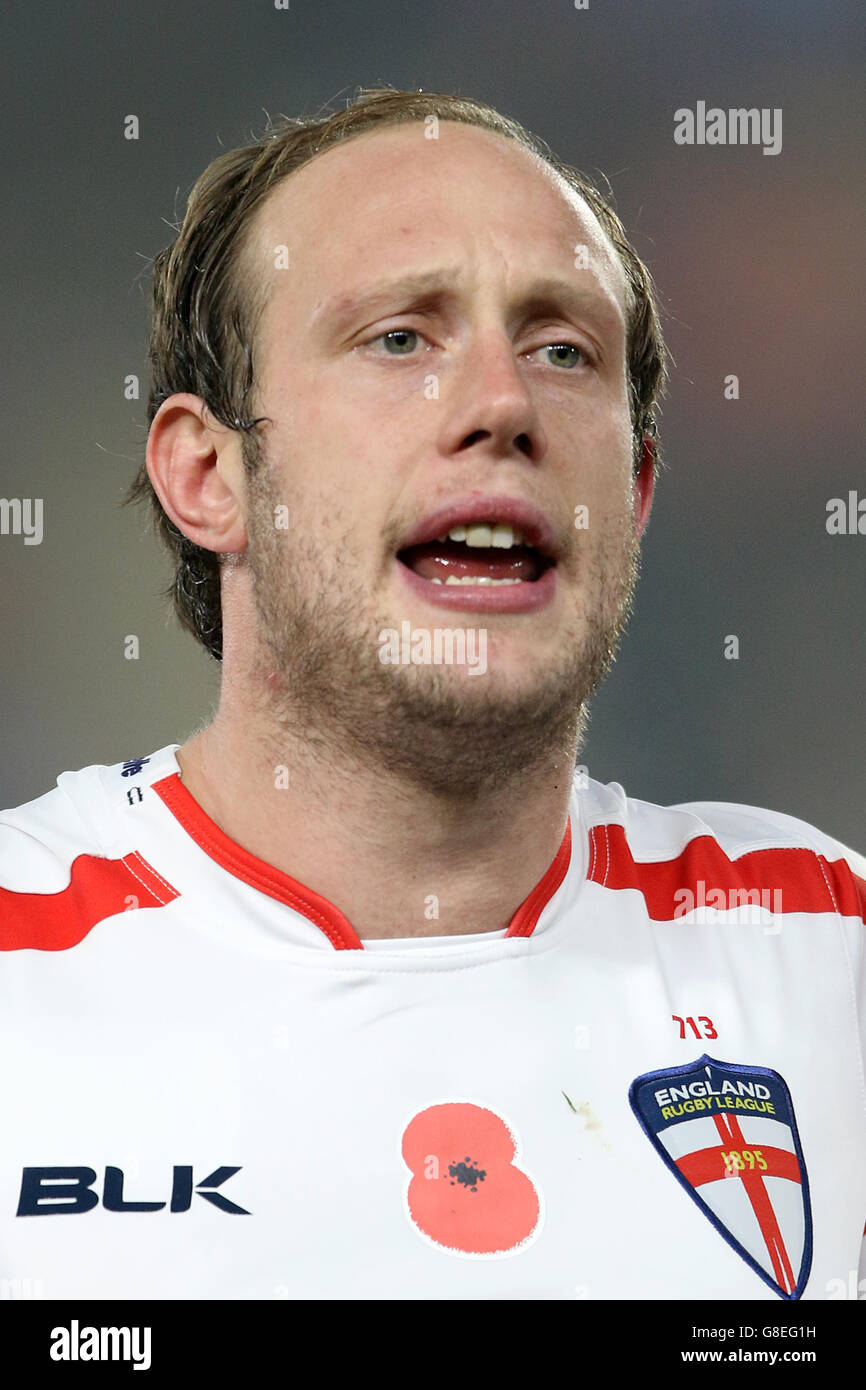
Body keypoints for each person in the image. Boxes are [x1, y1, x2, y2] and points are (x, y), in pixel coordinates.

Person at [1, 87, 863, 1302]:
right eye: (400, 339)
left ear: (634, 492)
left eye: (561, 349)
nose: (503, 406)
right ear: (210, 475)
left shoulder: (822, 948)